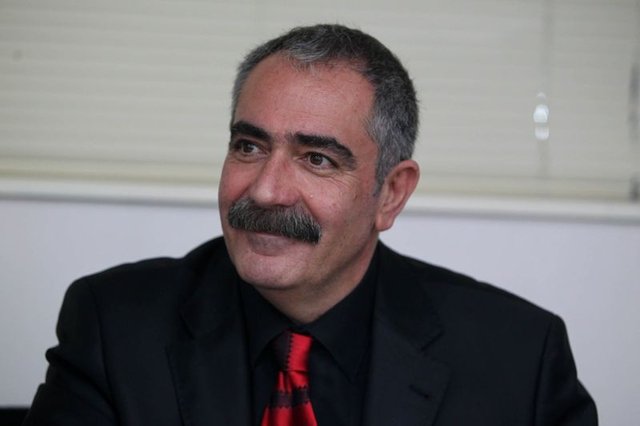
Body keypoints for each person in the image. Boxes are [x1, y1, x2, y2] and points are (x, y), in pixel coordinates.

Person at [23, 24, 597, 426]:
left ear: (390, 194)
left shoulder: (519, 358)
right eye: (248, 146)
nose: (265, 190)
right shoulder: (114, 327)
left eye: (317, 159)